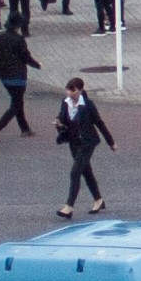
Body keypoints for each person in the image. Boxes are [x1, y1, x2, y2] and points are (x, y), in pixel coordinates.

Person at [53, 77, 114, 217]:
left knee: (75, 172)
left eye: (73, 90)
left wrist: (111, 142)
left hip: (87, 142)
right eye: (68, 90)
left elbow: (99, 123)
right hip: (73, 142)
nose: (69, 93)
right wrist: (59, 125)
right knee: (86, 171)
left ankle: (69, 206)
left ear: (80, 90)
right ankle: (98, 199)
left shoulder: (88, 105)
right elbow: (63, 120)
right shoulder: (65, 103)